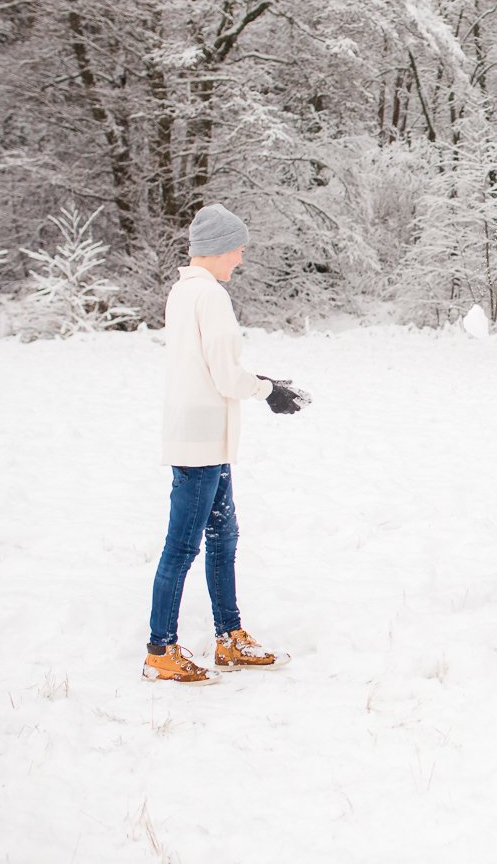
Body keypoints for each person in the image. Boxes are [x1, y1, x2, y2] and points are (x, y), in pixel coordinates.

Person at [144, 204, 311, 685]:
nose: (240, 257)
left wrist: (257, 382)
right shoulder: (210, 297)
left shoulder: (182, 292)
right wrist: (268, 390)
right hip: (201, 440)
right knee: (184, 546)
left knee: (223, 537)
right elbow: (223, 374)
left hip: (200, 436)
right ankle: (161, 650)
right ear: (217, 249)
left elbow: (207, 368)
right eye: (237, 249)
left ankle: (230, 636)